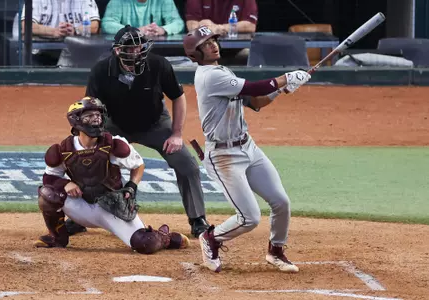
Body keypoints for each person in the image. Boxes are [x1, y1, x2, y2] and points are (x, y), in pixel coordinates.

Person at [183, 26, 311, 273]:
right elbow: (254, 88)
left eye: (213, 41)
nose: (213, 45)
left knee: (281, 202)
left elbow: (256, 100)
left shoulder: (222, 71)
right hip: (223, 156)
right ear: (195, 54)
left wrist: (281, 90)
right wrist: (285, 79)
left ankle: (276, 251)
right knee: (249, 218)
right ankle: (212, 238)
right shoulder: (209, 76)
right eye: (206, 44)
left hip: (247, 147)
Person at [64, 25, 209, 238]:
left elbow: (178, 97)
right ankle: (82, 216)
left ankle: (198, 219)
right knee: (89, 159)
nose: (136, 53)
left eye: (139, 47)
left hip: (155, 123)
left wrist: (176, 133)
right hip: (115, 123)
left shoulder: (158, 64)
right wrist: (91, 137)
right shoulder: (102, 70)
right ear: (117, 51)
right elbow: (92, 105)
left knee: (186, 164)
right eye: (130, 49)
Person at [34, 96, 190, 254]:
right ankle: (57, 237)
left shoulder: (114, 144)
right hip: (82, 206)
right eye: (89, 116)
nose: (96, 119)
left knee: (145, 244)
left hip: (112, 207)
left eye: (98, 115)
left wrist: (131, 186)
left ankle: (164, 236)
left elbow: (138, 165)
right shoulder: (63, 150)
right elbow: (49, 178)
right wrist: (65, 184)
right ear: (75, 121)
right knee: (48, 195)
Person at [21, 0, 101, 65]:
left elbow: (94, 26)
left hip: (75, 53)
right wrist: (53, 31)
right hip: (41, 53)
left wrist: (75, 30)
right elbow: (26, 25)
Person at [185, 0, 258, 65]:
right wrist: (209, 29)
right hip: (206, 47)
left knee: (249, 54)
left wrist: (220, 27)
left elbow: (250, 26)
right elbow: (191, 25)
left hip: (236, 48)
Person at [101, 0, 184, 36]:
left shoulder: (165, 1)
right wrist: (133, 30)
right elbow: (107, 24)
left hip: (156, 47)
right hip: (127, 47)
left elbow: (178, 23)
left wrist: (163, 30)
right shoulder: (117, 1)